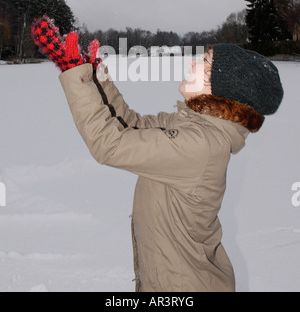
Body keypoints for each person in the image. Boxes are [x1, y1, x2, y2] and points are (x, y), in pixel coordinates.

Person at [31, 16, 284, 292]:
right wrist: (94, 75)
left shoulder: (201, 144)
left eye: (206, 64)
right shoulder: (192, 125)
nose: (192, 64)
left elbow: (110, 144)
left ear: (224, 91)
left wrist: (77, 76)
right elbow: (131, 124)